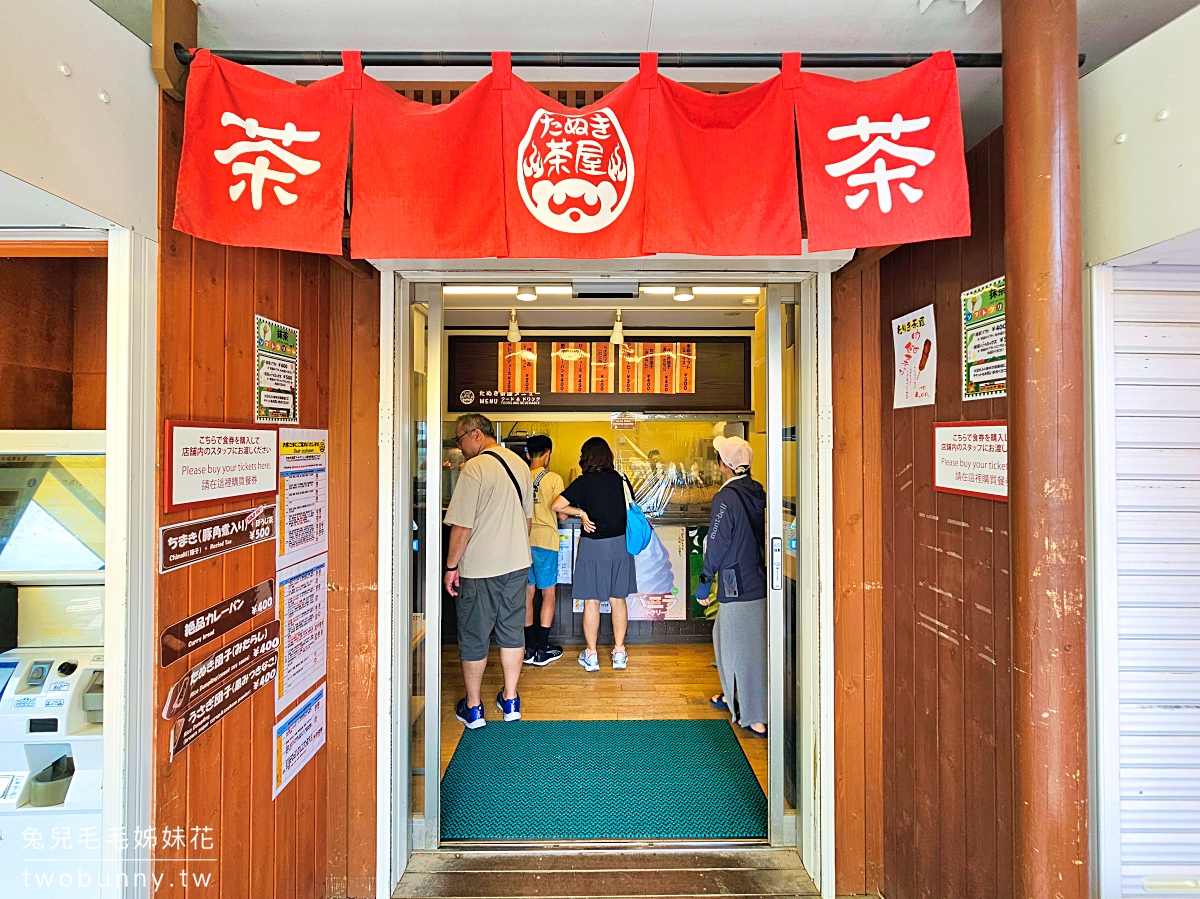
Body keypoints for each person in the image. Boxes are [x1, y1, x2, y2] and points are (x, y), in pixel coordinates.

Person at [443, 413, 534, 729]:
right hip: (517, 564)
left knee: (474, 634)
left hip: (481, 568)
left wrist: (451, 566)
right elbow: (528, 523)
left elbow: (462, 527)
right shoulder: (521, 466)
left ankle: (474, 708)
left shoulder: (475, 469)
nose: (461, 447)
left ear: (475, 434)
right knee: (512, 630)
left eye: (460, 439)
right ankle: (510, 701)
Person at [695, 435, 768, 737]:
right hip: (758, 578)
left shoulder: (726, 498)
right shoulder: (757, 490)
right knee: (725, 637)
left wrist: (704, 582)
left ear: (723, 464)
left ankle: (755, 717)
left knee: (746, 649)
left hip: (736, 583)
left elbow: (716, 542)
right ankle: (731, 694)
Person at [552, 436, 637, 672]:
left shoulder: (584, 482)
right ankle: (619, 653)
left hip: (592, 547)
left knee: (592, 601)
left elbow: (556, 505)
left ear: (586, 457)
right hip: (620, 546)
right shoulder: (620, 480)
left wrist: (581, 513)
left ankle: (591, 656)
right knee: (618, 599)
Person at [523, 434, 565, 666]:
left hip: (522, 541)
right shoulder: (553, 479)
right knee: (548, 593)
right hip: (546, 541)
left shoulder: (519, 476)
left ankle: (528, 648)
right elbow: (561, 513)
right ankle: (542, 649)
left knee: (527, 594)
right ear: (548, 454)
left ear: (528, 454)